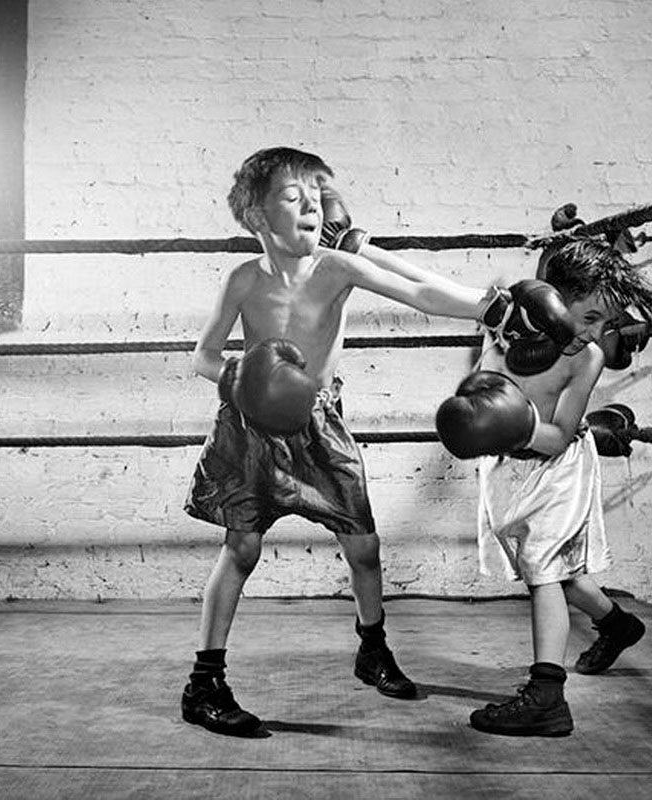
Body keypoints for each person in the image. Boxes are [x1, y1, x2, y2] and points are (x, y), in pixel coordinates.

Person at [182, 146, 503, 737]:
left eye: (315, 193)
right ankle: (204, 684)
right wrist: (238, 377)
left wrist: (488, 308)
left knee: (364, 547)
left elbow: (419, 294)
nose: (311, 205)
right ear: (256, 217)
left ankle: (372, 649)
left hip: (320, 424)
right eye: (291, 195)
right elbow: (202, 355)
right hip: (253, 425)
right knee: (242, 551)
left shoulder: (337, 268)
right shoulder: (244, 279)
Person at [435, 237, 652, 737]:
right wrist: (481, 416)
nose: (597, 332)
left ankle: (546, 696)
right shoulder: (505, 334)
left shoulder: (588, 357)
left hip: (560, 468)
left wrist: (519, 425)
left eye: (608, 322)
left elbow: (557, 436)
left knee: (544, 575)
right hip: (507, 468)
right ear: (553, 301)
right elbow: (478, 390)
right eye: (590, 317)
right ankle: (618, 624)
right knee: (561, 574)